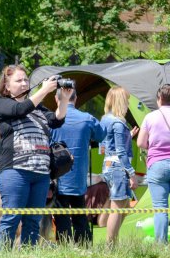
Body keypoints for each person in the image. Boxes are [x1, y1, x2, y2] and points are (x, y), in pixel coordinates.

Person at [0, 65, 70, 247]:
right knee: (12, 217)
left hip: (40, 173)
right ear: (7, 87)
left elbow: (56, 120)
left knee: (33, 220)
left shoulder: (38, 108)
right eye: (18, 80)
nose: (23, 83)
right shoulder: (3, 104)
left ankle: (28, 256)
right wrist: (44, 90)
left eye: (25, 80)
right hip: (15, 171)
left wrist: (64, 100)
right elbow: (20, 110)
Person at [50, 89, 105, 245]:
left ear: (56, 98)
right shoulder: (87, 119)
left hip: (58, 176)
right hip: (79, 177)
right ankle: (84, 247)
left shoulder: (51, 120)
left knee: (61, 216)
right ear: (76, 98)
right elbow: (101, 135)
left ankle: (65, 247)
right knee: (80, 213)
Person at [100, 86, 138, 245]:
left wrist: (127, 136)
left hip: (107, 166)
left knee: (120, 205)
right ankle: (111, 246)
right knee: (118, 207)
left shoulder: (105, 119)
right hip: (118, 168)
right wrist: (131, 173)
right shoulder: (119, 123)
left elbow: (104, 147)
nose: (128, 104)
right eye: (127, 101)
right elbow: (121, 153)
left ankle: (112, 242)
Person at [137, 84, 170, 244]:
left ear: (159, 99)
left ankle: (161, 246)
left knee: (160, 208)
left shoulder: (150, 117)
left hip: (157, 164)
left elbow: (141, 142)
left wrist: (154, 146)